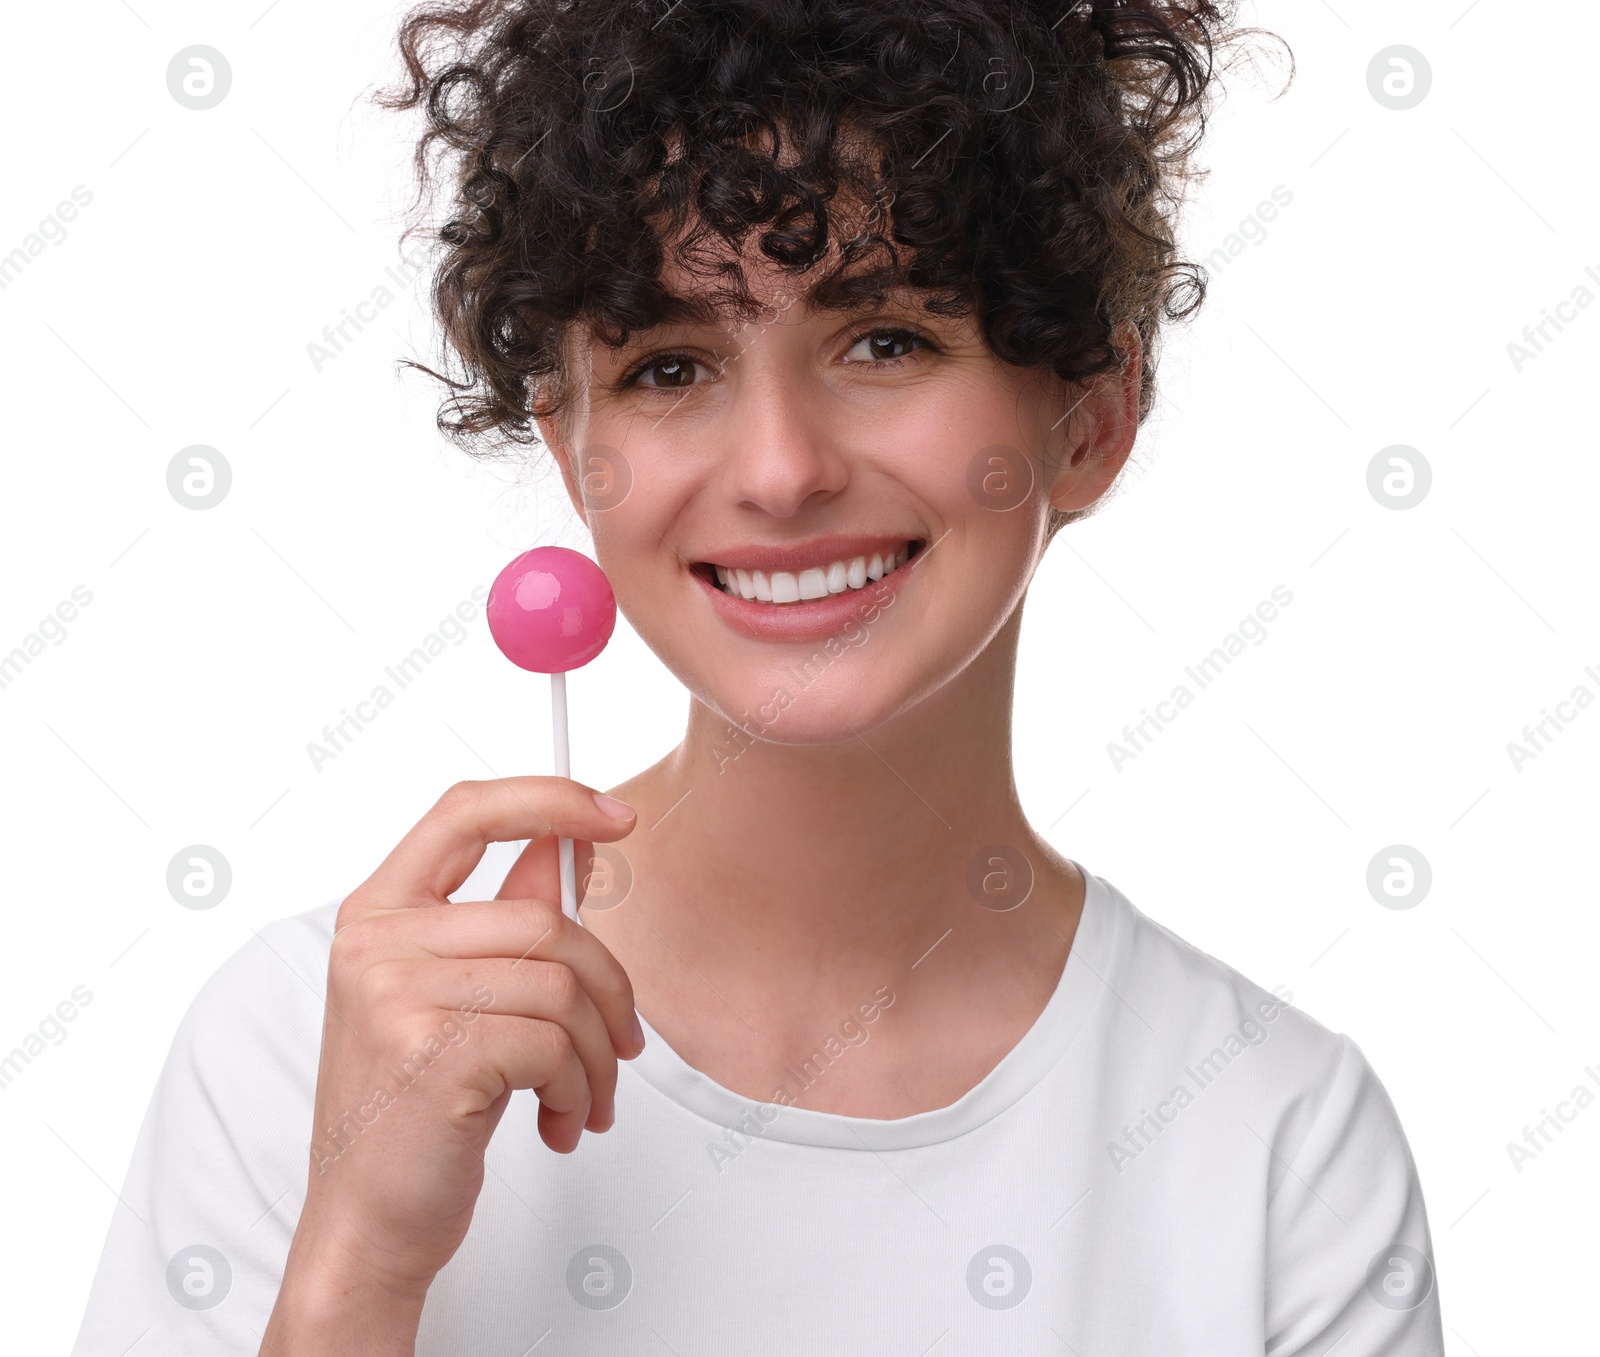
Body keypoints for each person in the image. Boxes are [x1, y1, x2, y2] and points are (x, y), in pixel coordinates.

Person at [72, 1, 1445, 1353]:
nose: (782, 468)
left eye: (887, 339)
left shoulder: (1277, 1141)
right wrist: (356, 1267)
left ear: (1087, 422)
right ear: (574, 456)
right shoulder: (310, 1041)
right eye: (672, 366)